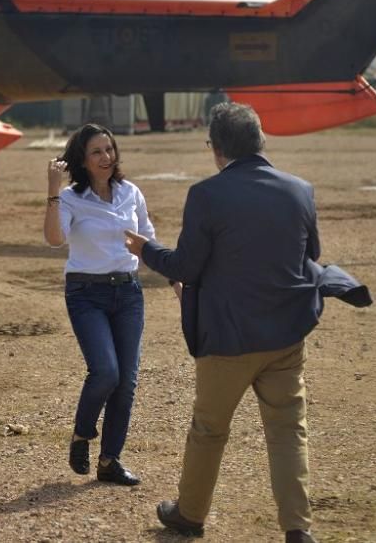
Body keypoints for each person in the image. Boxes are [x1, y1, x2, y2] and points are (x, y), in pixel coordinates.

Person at [124, 103, 322, 542]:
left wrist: (146, 250)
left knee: (209, 430)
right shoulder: (300, 190)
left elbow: (188, 267)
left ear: (216, 149)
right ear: (261, 140)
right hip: (284, 336)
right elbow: (311, 259)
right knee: (288, 431)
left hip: (226, 337)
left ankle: (191, 515)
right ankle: (297, 528)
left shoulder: (206, 195)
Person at [44, 123, 156, 486]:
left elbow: (148, 240)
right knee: (106, 372)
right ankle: (81, 435)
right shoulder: (72, 198)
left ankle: (109, 461)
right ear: (82, 159)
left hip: (128, 294)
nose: (106, 157)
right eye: (97, 152)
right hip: (86, 294)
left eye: (109, 149)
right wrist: (53, 191)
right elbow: (53, 240)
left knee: (126, 382)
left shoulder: (130, 192)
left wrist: (177, 277)